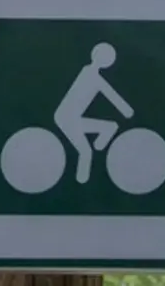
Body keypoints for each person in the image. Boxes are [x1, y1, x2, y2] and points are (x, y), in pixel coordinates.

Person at [53, 42, 133, 184]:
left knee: (110, 127)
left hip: (72, 119)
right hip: (66, 119)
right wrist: (127, 111)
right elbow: (111, 95)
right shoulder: (91, 76)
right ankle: (80, 182)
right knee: (86, 152)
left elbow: (111, 95)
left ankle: (99, 146)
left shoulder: (91, 75)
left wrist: (127, 111)